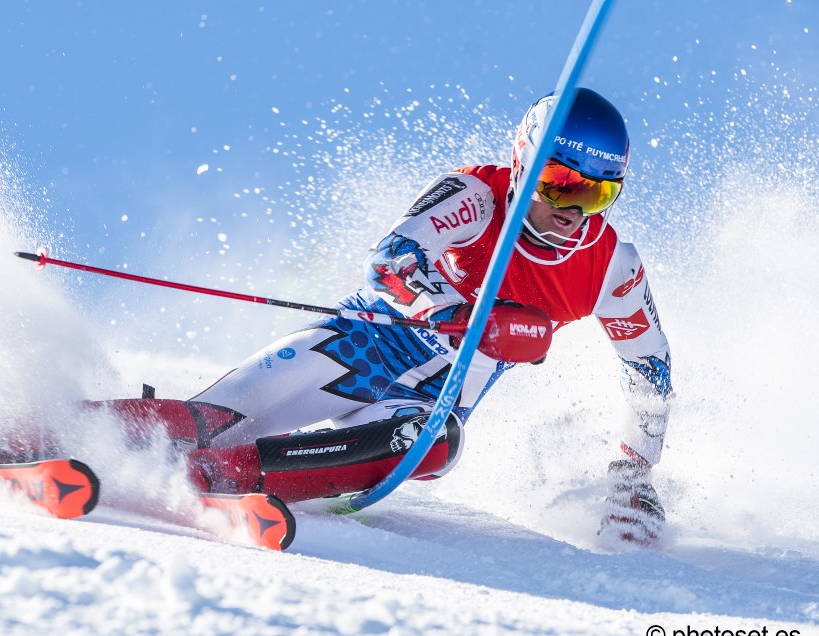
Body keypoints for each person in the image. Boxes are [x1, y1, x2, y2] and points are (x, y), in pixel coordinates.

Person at [168, 87, 672, 545]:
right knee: (214, 417)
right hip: (356, 348)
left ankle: (220, 476)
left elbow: (651, 366)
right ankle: (114, 436)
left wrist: (635, 470)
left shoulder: (608, 266)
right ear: (523, 162)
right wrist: (455, 313)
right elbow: (390, 259)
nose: (574, 211)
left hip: (428, 404)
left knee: (432, 444)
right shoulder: (475, 196)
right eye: (560, 185)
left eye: (598, 193)